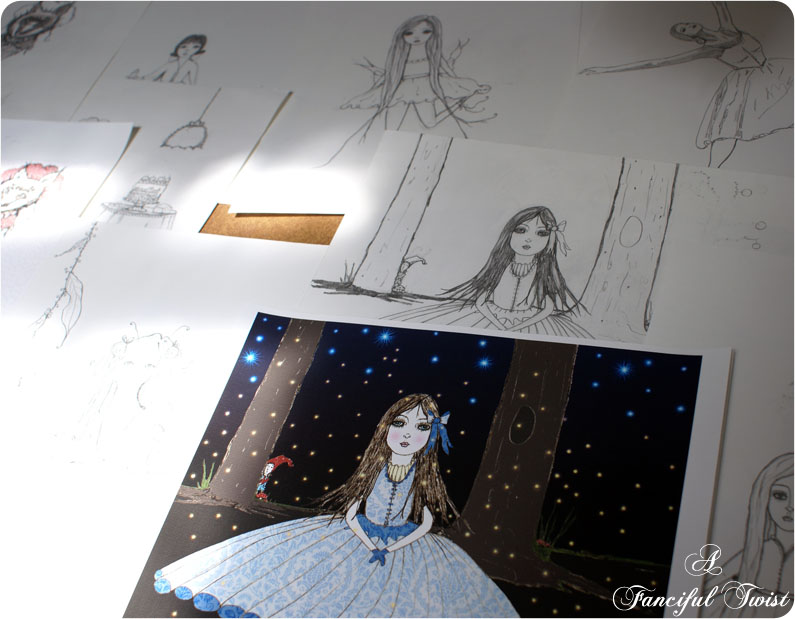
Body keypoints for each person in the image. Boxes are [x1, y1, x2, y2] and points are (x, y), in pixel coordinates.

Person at [153, 394, 518, 617]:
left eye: (421, 427)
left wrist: (393, 546)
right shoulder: (374, 471)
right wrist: (368, 541)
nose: (408, 434)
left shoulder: (422, 478)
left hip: (403, 542)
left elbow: (423, 522)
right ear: (386, 428)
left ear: (432, 435)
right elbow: (352, 512)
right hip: (360, 535)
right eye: (401, 423)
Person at [580, 2, 793, 168]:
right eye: (685, 29)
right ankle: (714, 168)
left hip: (773, 69)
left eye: (687, 24)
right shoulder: (709, 49)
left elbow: (719, 4)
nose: (689, 25)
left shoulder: (728, 29)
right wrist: (604, 70)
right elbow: (656, 62)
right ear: (688, 37)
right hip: (745, 83)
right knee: (729, 127)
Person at [385, 206, 592, 339]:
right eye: (521, 230)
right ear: (509, 233)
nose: (529, 239)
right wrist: (497, 324)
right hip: (489, 318)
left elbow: (547, 308)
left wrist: (515, 328)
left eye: (541, 233)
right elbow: (481, 302)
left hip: (529, 324)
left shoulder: (542, 272)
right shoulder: (500, 266)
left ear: (550, 239)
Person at [325, 15, 492, 164]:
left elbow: (447, 70)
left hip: (426, 87)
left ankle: (459, 105)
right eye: (409, 33)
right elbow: (390, 75)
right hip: (402, 89)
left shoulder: (433, 53)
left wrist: (470, 88)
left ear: (433, 33)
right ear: (402, 34)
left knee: (430, 122)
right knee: (391, 127)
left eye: (425, 32)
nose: (417, 37)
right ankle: (388, 158)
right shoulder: (399, 54)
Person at [704, 453, 793, 617]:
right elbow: (701, 592)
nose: (790, 506)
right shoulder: (757, 551)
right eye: (780, 496)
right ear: (764, 497)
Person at [127, 34, 206, 85]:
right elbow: (152, 77)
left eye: (195, 47)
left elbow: (192, 85)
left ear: (198, 50)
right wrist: (138, 78)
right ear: (177, 48)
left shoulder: (192, 66)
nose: (187, 50)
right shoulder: (171, 64)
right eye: (184, 47)